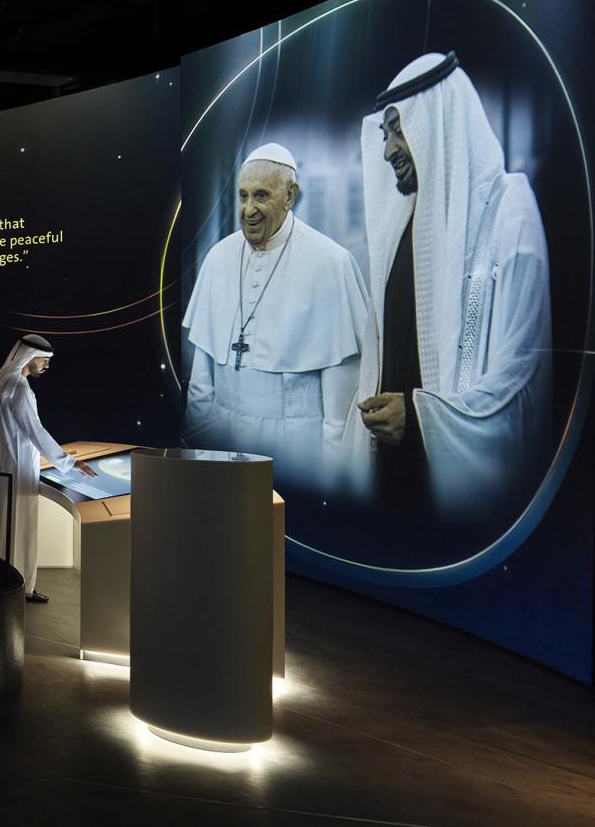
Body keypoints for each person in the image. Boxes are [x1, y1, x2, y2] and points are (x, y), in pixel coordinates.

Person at [346, 53, 552, 509]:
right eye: (385, 134)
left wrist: (420, 420)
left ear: (437, 123)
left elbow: (520, 384)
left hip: (464, 506)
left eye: (399, 130)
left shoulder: (509, 213)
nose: (388, 150)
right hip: (391, 485)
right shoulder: (401, 225)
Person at [182, 143, 368, 488]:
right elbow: (201, 385)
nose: (248, 209)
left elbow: (340, 409)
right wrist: (200, 460)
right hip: (224, 445)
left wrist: (330, 480)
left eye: (261, 196)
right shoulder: (218, 259)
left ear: (290, 195)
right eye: (242, 196)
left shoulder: (331, 263)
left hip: (296, 452)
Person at [0, 334, 94, 603]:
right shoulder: (19, 388)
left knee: (1, 524)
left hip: (0, 466)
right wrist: (69, 462)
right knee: (21, 526)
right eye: (44, 360)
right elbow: (35, 431)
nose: (46, 365)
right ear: (28, 356)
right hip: (18, 470)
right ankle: (21, 586)